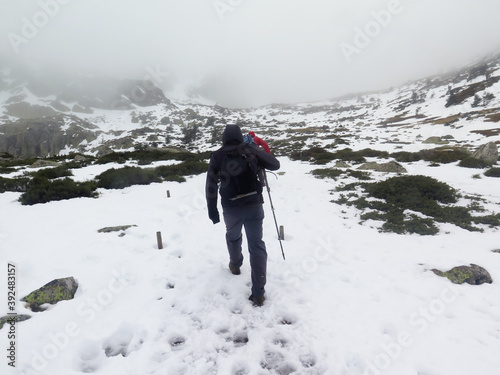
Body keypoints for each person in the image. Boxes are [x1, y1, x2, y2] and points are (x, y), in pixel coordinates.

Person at [205, 125, 280, 306]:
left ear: (224, 138)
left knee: (233, 235)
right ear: (240, 137)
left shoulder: (217, 155)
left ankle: (236, 264)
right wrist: (254, 149)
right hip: (254, 205)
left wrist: (213, 213)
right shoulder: (250, 151)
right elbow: (275, 164)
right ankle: (258, 292)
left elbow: (211, 186)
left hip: (231, 207)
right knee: (256, 245)